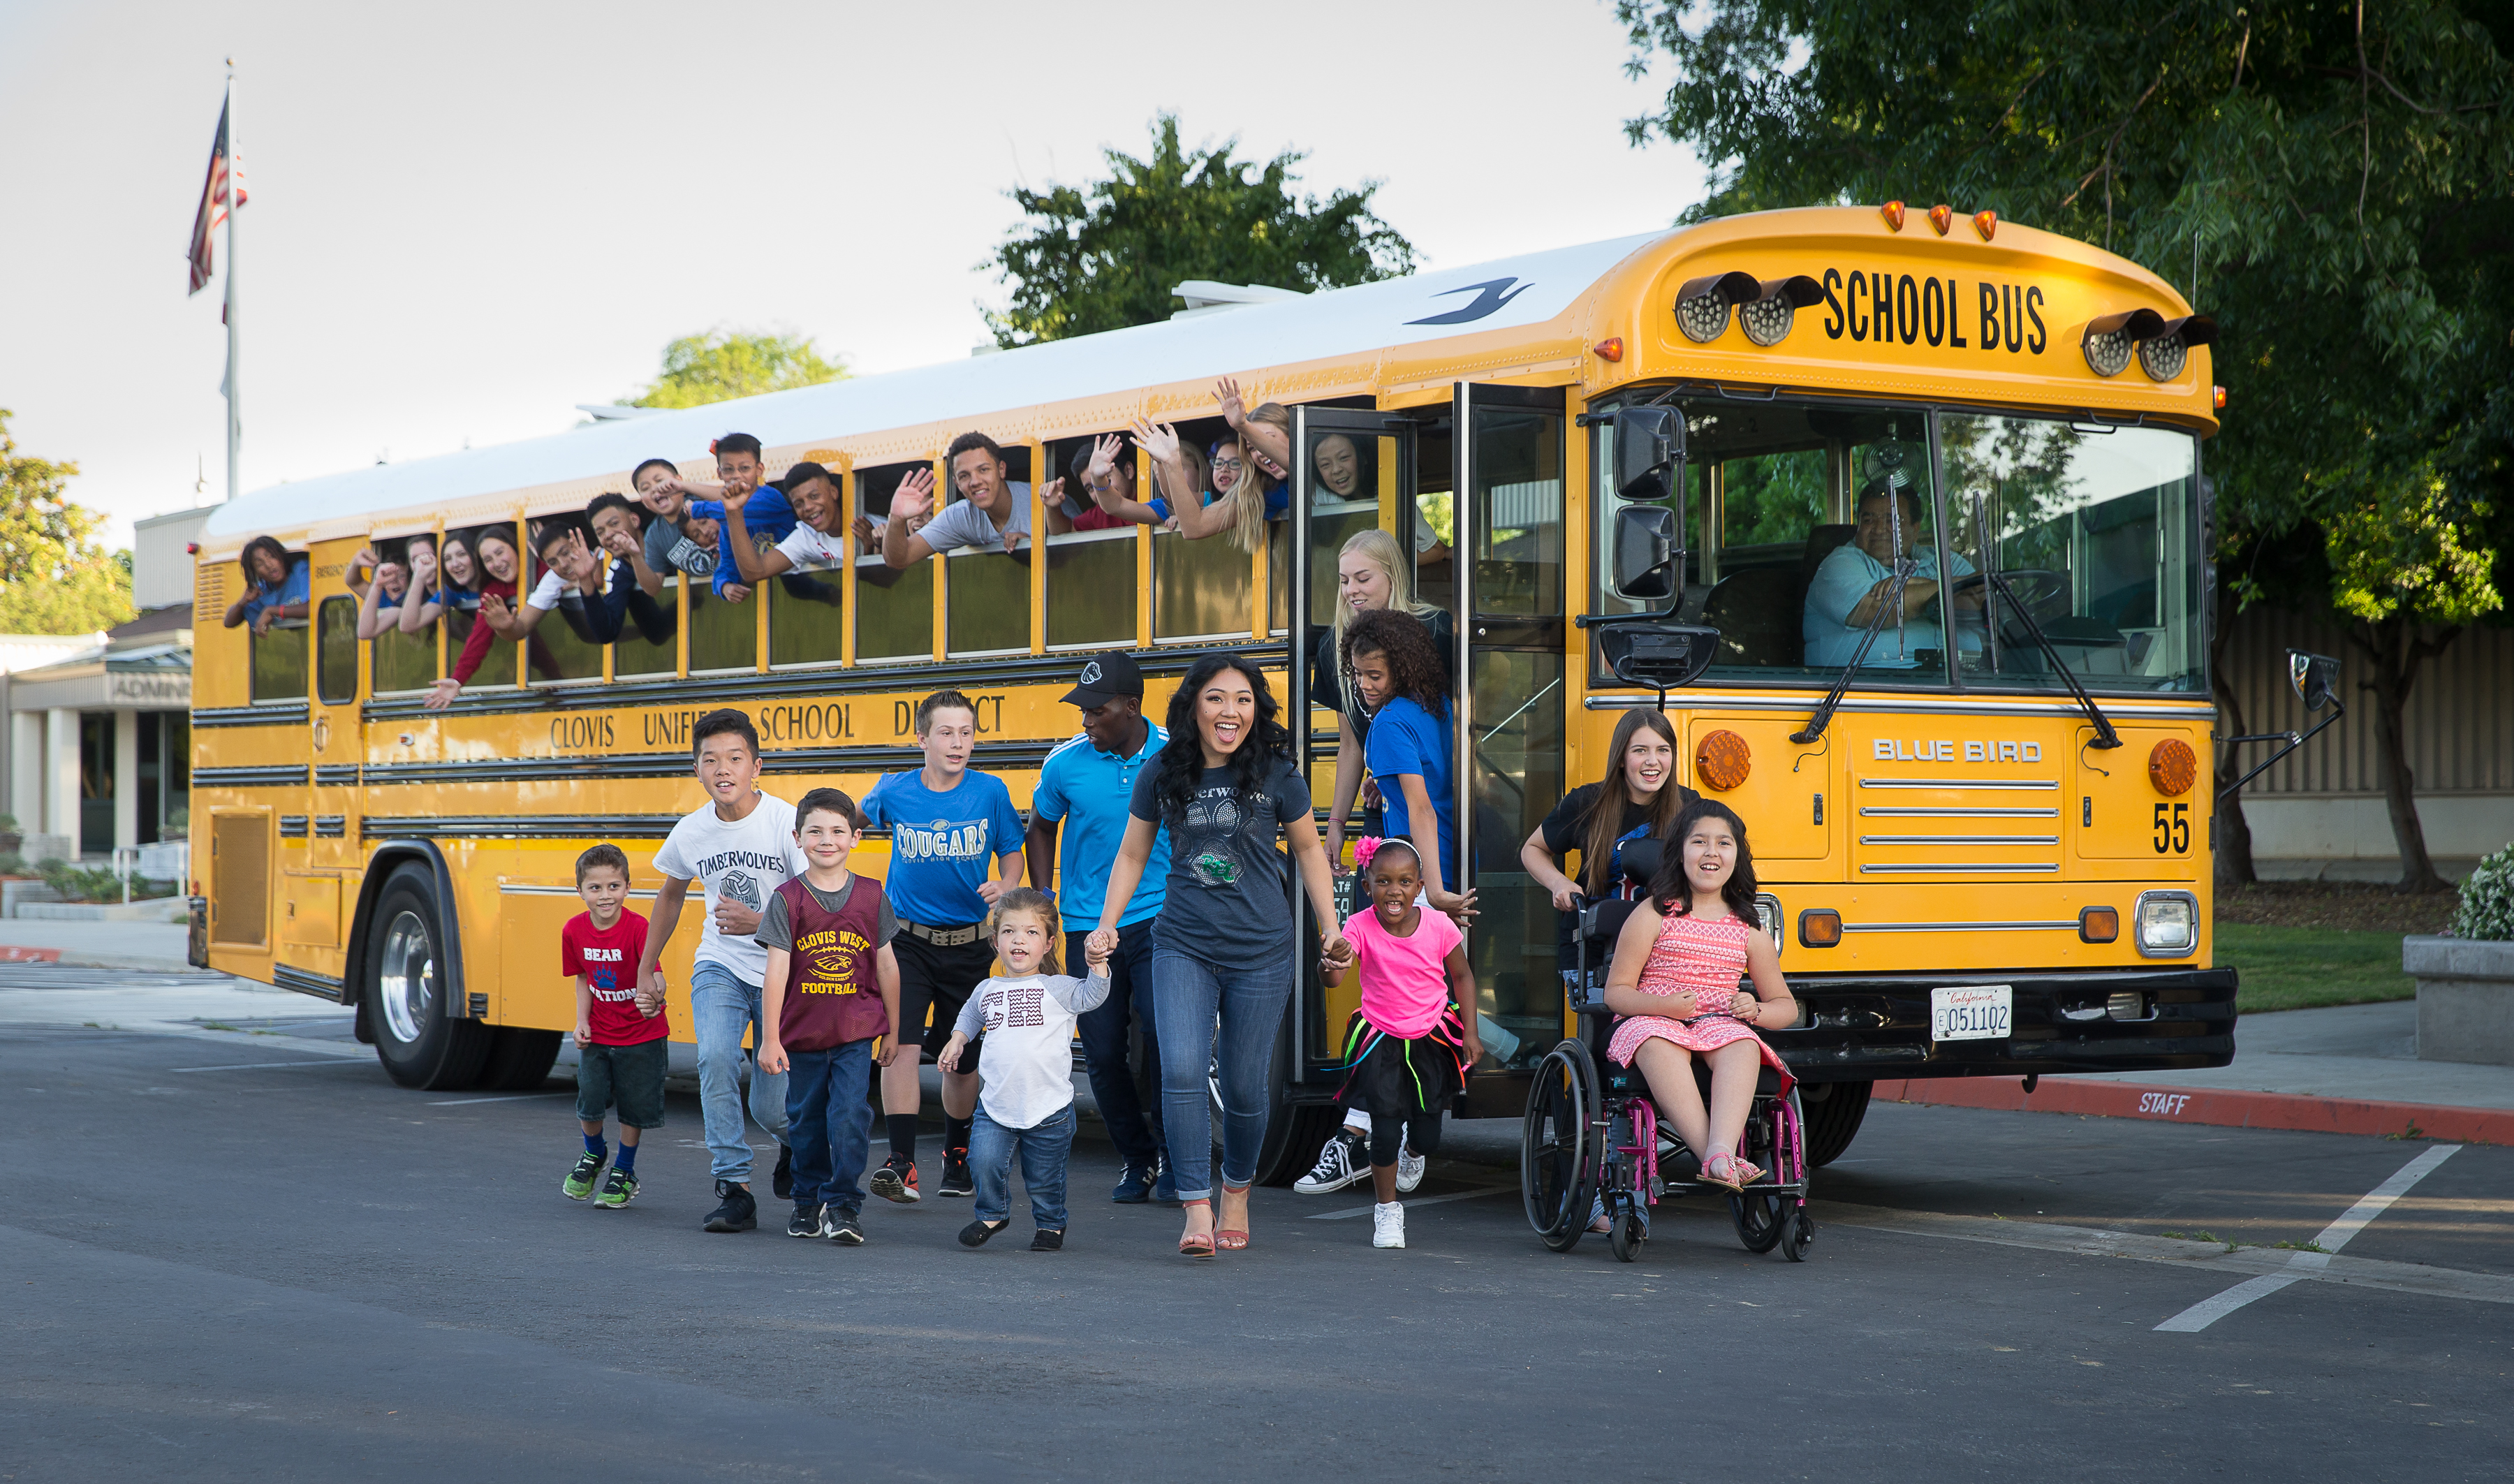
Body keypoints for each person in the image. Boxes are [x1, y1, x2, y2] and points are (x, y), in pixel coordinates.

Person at [1089, 654, 1346, 1257]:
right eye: (1216, 698)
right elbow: (1131, 856)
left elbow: (1309, 850)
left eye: (1242, 699)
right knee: (1179, 1070)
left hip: (1262, 949)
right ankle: (1196, 1208)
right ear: (1193, 707)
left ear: (1255, 708)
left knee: (1246, 1085)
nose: (1230, 711)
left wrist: (1330, 929)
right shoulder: (1162, 771)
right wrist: (1107, 926)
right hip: (1182, 942)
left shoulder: (1277, 771)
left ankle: (1236, 1192)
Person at [633, 709, 806, 1233]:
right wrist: (646, 967)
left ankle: (796, 1145)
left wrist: (761, 921)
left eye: (735, 758)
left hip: (782, 970)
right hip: (720, 965)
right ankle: (734, 1187)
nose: (723, 768)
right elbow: (669, 894)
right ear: (697, 770)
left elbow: (814, 902)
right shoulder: (692, 831)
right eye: (711, 760)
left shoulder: (785, 822)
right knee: (712, 1057)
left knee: (772, 1106)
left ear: (758, 766)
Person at [860, 688, 1027, 1204]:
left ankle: (957, 1156)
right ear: (922, 739)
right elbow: (847, 826)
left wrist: (1005, 886)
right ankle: (902, 1162)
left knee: (963, 1059)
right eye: (946, 732)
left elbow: (1013, 853)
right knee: (899, 1048)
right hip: (905, 942)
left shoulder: (990, 791)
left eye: (967, 733)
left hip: (971, 945)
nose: (958, 743)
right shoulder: (895, 791)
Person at [1022, 650, 1173, 1204]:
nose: (1085, 721)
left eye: (1096, 710)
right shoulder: (1065, 764)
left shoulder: (1173, 753)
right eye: (1082, 710)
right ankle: (1138, 1160)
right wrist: (1045, 899)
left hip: (1161, 917)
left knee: (1164, 1036)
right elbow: (1040, 827)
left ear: (1130, 707)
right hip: (1091, 927)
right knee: (1104, 1052)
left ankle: (1176, 1157)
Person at [1601, 799, 1798, 1191]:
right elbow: (1616, 993)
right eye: (1700, 842)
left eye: (1723, 843)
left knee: (1743, 1044)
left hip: (1718, 1024)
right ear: (1679, 853)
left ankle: (1720, 1150)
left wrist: (1755, 1009)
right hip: (1650, 1019)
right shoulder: (1653, 914)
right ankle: (1713, 1156)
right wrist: (1663, 1006)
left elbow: (1786, 1007)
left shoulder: (1748, 928)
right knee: (1658, 1041)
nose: (1711, 852)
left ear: (1737, 856)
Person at [756, 786, 902, 1247]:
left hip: (855, 1032)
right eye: (815, 830)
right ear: (797, 838)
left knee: (849, 1117)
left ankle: (843, 1203)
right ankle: (806, 1197)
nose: (827, 839)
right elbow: (776, 971)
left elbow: (887, 966)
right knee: (805, 1121)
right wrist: (770, 1037)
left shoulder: (872, 895)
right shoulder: (787, 899)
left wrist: (895, 1030)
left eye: (838, 830)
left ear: (856, 837)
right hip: (803, 1035)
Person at [1318, 837, 1478, 1249]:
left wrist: (1471, 1033)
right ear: (1367, 885)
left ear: (1420, 886)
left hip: (1432, 1037)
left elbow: (1462, 976)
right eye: (1384, 881)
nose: (1395, 891)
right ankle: (1387, 1212)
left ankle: (1415, 1149)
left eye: (1405, 882)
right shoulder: (1358, 926)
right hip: (1381, 1038)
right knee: (1384, 1130)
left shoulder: (1439, 925)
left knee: (1426, 1137)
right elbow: (1337, 974)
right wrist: (1330, 964)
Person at [936, 889, 1110, 1251]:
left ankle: (1050, 1223)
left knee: (1044, 1178)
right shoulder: (988, 988)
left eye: (1031, 933)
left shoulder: (1057, 988)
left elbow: (1092, 996)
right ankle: (992, 1213)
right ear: (995, 941)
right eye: (1009, 932)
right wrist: (957, 1039)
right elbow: (970, 1014)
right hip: (995, 1106)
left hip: (1048, 1109)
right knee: (983, 1162)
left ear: (1048, 945)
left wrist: (1097, 965)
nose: (1019, 939)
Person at [1522, 708, 1700, 998]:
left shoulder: (1690, 806)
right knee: (1604, 1036)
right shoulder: (1586, 801)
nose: (1652, 761)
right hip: (1594, 947)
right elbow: (1533, 849)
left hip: (1665, 950)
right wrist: (1559, 883)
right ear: (1620, 758)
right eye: (1640, 750)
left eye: (1662, 750)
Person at [1318, 528, 1455, 867]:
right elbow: (1350, 744)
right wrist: (1336, 824)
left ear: (1392, 575)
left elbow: (1453, 723)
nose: (1352, 591)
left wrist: (1398, 768)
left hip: (1437, 801)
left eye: (1363, 578)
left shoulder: (1435, 628)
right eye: (1344, 580)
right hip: (1385, 802)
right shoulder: (1333, 646)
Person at [1348, 610, 1470, 920]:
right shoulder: (1438, 703)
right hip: (1457, 855)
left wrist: (1434, 891)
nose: (1364, 684)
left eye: (1375, 676)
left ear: (1400, 670)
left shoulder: (1390, 722)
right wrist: (1386, 786)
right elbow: (1436, 772)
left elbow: (1421, 808)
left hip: (1419, 874)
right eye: (1357, 674)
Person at [560, 843, 663, 1210]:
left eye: (614, 887)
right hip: (599, 1034)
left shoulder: (639, 928)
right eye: (596, 888)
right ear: (580, 891)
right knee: (589, 1100)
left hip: (641, 1035)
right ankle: (594, 1154)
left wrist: (654, 998)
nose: (606, 896)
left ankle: (624, 1169)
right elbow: (584, 978)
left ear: (628, 887)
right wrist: (582, 1021)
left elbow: (654, 975)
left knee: (634, 1107)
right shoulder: (573, 931)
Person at [1803, 478, 1981, 667]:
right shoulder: (1839, 564)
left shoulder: (1943, 562)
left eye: (1892, 520)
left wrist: (1914, 584)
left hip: (1966, 685)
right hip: (1866, 690)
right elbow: (1882, 611)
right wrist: (1956, 586)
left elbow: (1987, 598)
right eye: (1869, 520)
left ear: (1915, 528)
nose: (1879, 529)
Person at [881, 432, 1062, 567]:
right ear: (957, 484)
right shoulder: (960, 517)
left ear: (1001, 470)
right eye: (965, 476)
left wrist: (1031, 543)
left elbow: (1073, 549)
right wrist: (897, 518)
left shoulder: (1041, 499)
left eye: (983, 470)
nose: (975, 482)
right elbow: (898, 559)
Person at [721, 460, 848, 599]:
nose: (808, 507)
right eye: (799, 504)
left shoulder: (869, 523)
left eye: (814, 496)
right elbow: (755, 572)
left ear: (833, 492)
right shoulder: (806, 536)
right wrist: (734, 511)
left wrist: (872, 548)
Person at [631, 457, 722, 583]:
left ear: (678, 480)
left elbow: (732, 499)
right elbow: (653, 587)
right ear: (643, 501)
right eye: (646, 488)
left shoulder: (702, 499)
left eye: (660, 481)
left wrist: (683, 487)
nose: (655, 489)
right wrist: (634, 555)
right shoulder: (654, 536)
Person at [587, 493, 668, 604]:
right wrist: (585, 580)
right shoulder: (617, 571)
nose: (608, 534)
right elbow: (610, 620)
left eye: (614, 524)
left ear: (634, 520)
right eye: (600, 532)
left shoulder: (665, 538)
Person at [222, 536, 308, 634]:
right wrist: (242, 603)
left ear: (281, 555)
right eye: (260, 564)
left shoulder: (300, 571)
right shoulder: (263, 592)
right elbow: (229, 622)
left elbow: (313, 608)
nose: (268, 565)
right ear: (256, 573)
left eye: (271, 556)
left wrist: (272, 611)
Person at [353, 545, 411, 640]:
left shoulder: (407, 603)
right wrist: (356, 562)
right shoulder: (380, 598)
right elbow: (353, 582)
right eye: (389, 576)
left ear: (410, 579)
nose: (394, 580)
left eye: (401, 576)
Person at [392, 534, 442, 636]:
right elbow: (365, 632)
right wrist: (377, 585)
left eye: (428, 555)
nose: (422, 562)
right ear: (410, 565)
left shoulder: (451, 591)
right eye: (415, 560)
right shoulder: (410, 598)